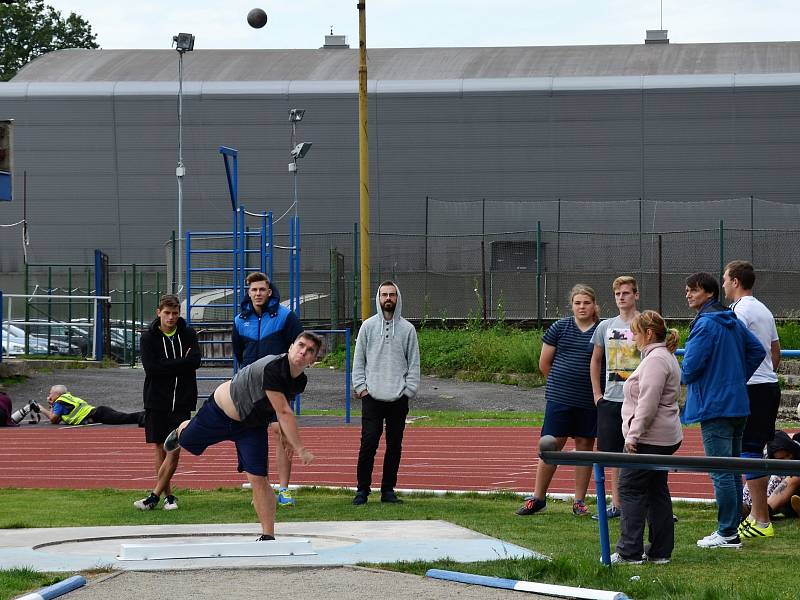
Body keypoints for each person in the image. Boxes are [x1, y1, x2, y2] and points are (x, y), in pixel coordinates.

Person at [156, 332, 321, 540]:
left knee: (258, 478)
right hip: (219, 412)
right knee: (187, 441)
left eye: (310, 351)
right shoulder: (273, 367)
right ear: (290, 347)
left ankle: (268, 535)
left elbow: (281, 407)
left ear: (313, 360)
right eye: (301, 345)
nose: (303, 352)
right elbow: (284, 412)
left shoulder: (300, 381)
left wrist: (287, 437)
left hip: (251, 426)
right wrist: (301, 448)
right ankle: (183, 428)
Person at [681, 272, 765, 549]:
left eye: (693, 290)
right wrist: (737, 378)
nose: (688, 295)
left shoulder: (706, 324)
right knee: (731, 470)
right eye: (687, 290)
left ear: (708, 293)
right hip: (737, 403)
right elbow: (757, 350)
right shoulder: (730, 319)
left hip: (715, 406)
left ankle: (727, 532)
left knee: (721, 470)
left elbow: (690, 368)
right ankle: (730, 529)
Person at [517, 284, 600, 517]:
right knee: (551, 446)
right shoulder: (560, 327)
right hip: (560, 399)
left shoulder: (602, 329)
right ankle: (538, 497)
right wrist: (560, 386)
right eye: (577, 303)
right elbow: (544, 363)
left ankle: (579, 501)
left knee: (584, 447)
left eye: (586, 302)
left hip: (589, 400)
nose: (582, 307)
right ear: (572, 305)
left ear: (594, 305)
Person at [610, 311, 682, 565]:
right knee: (655, 490)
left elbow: (648, 403)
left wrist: (633, 435)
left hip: (650, 437)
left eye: (636, 332)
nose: (633, 337)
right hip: (664, 436)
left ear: (649, 333)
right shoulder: (664, 356)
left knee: (630, 488)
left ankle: (629, 551)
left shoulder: (655, 360)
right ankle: (660, 551)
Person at [722, 260, 782, 540]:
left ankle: (761, 518)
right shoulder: (764, 309)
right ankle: (758, 515)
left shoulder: (739, 311)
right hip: (768, 385)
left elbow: (734, 350)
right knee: (755, 451)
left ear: (735, 281)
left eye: (725, 279)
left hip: (752, 387)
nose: (723, 284)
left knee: (748, 451)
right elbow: (775, 352)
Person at [233, 271, 303, 507]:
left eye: (262, 289)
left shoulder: (286, 317)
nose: (258, 293)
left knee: (280, 432)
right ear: (248, 292)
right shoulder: (239, 320)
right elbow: (239, 353)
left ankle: (283, 490)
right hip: (249, 387)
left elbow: (299, 348)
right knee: (251, 436)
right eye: (253, 290)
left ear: (269, 291)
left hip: (277, 384)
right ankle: (260, 491)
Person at [352, 281, 420, 505]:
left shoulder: (408, 329)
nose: (388, 298)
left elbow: (414, 363)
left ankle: (388, 491)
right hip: (372, 396)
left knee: (394, 445)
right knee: (369, 443)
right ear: (378, 298)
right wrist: (361, 388)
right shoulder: (368, 327)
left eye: (392, 294)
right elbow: (359, 360)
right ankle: (362, 491)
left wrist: (408, 390)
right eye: (384, 295)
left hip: (398, 397)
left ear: (397, 298)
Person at [135, 294, 201, 512]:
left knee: (174, 448)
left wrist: (168, 364)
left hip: (182, 400)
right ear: (158, 312)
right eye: (167, 313)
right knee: (159, 448)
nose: (171, 317)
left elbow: (195, 362)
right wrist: (181, 363)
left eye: (175, 313)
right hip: (157, 400)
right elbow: (152, 368)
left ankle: (154, 495)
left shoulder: (188, 333)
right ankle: (169, 496)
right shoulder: (148, 338)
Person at [590, 275, 641, 520]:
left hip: (640, 399)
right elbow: (596, 360)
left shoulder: (645, 322)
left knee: (642, 452)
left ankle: (649, 503)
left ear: (636, 295)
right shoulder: (605, 326)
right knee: (612, 453)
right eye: (618, 294)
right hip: (611, 399)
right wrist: (597, 394)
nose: (621, 298)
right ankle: (616, 504)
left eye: (626, 293)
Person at [742, 431, 800, 521]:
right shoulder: (765, 457)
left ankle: (762, 512)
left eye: (788, 456)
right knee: (763, 476)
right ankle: (753, 509)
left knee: (794, 476)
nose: (787, 460)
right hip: (783, 500)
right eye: (781, 459)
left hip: (792, 492)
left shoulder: (797, 449)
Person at [39, 385, 145, 426]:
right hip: (99, 412)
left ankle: (144, 416)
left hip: (98, 414)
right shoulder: (66, 398)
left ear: (57, 394)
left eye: (50, 393)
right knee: (124, 417)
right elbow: (57, 420)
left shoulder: (59, 401)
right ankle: (144, 416)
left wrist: (42, 409)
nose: (49, 395)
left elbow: (53, 419)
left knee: (124, 418)